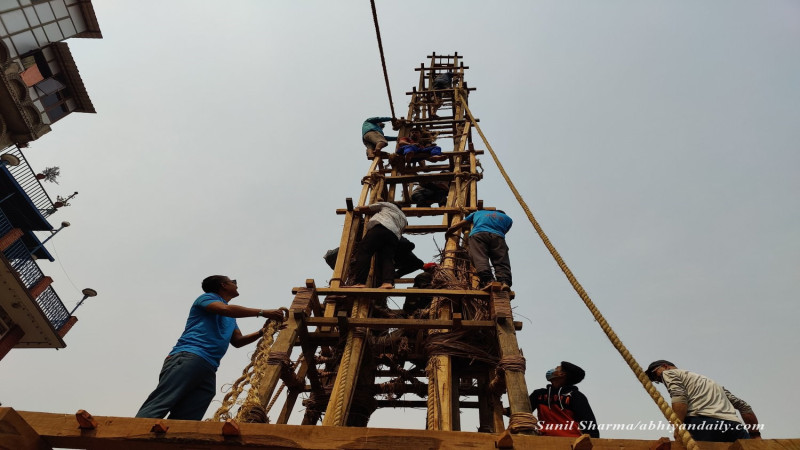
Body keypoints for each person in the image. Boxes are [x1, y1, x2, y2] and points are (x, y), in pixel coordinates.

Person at [135, 276, 285, 420]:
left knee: (188, 417)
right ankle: (132, 434)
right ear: (223, 285)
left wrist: (261, 332)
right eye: (232, 281)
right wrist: (262, 312)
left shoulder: (231, 316)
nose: (235, 283)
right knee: (162, 402)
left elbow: (238, 341)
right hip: (189, 356)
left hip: (208, 366)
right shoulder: (207, 298)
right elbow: (226, 310)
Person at [645, 360, 761, 442]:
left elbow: (679, 396)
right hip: (735, 427)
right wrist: (755, 435)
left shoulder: (669, 373)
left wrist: (678, 427)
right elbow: (744, 406)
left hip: (704, 424)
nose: (659, 380)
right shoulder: (711, 382)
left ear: (665, 366)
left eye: (655, 375)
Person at [446, 209, 513, 289]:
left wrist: (449, 231)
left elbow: (458, 225)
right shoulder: (508, 219)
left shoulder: (477, 213)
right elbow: (504, 231)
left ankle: (489, 281)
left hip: (478, 235)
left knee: (480, 258)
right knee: (501, 260)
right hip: (498, 237)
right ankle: (504, 282)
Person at [529, 361, 599, 438]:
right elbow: (521, 414)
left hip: (571, 443)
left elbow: (590, 425)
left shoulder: (576, 396)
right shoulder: (538, 394)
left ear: (561, 374)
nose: (553, 369)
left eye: (557, 368)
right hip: (545, 441)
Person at [350, 202, 408, 289]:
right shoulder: (404, 218)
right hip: (394, 236)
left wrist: (358, 209)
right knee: (387, 258)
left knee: (364, 251)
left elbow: (366, 208)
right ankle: (387, 282)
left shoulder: (388, 204)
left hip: (380, 227)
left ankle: (360, 282)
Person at [323, 237, 423, 279]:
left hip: (376, 258)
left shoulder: (410, 258)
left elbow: (418, 263)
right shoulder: (398, 242)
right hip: (372, 248)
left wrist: (397, 274)